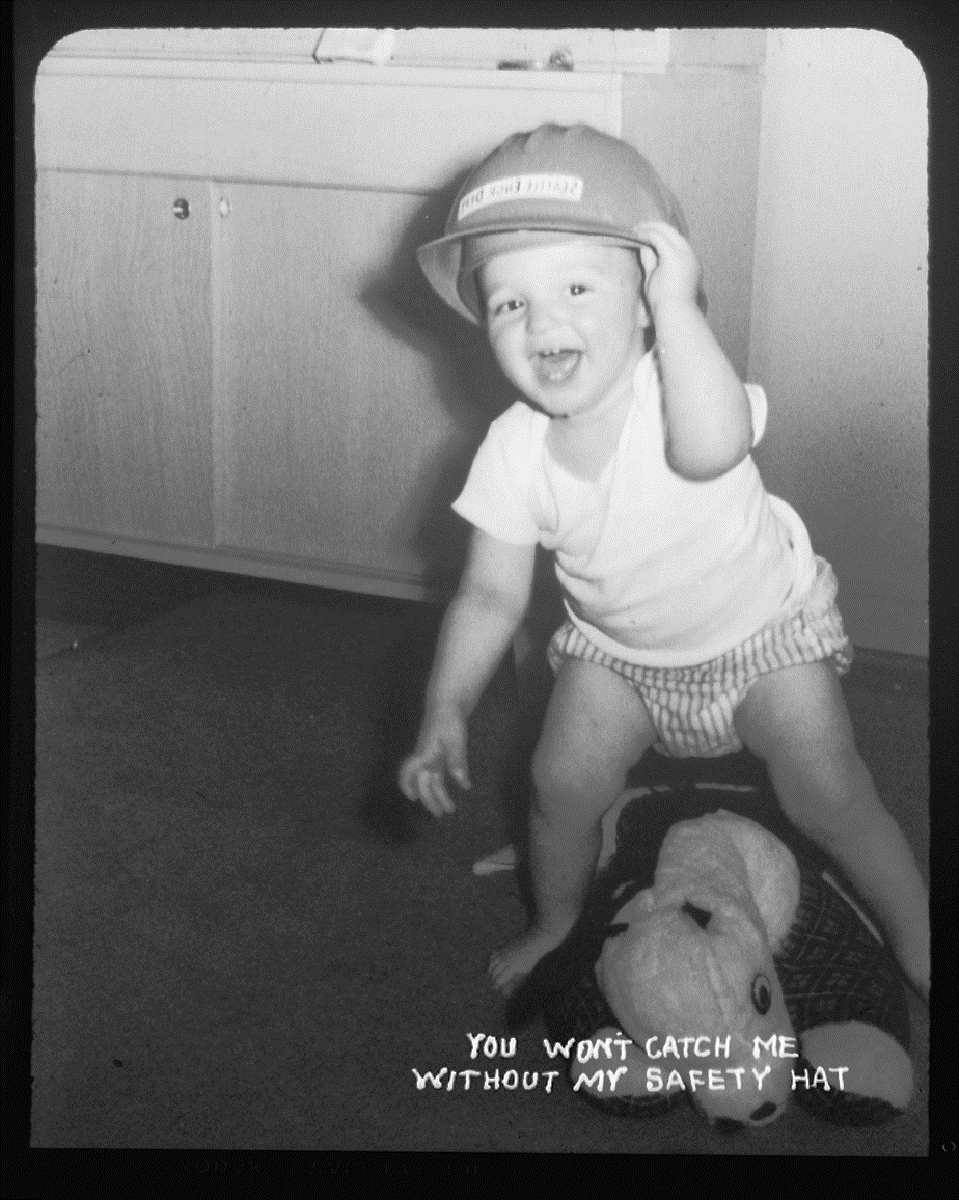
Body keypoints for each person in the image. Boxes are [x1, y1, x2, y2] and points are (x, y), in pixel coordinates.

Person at [397, 124, 929, 1001]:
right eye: (509, 302)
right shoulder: (511, 450)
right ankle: (557, 921)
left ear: (644, 301)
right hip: (620, 658)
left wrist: (681, 311)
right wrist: (445, 707)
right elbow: (490, 596)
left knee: (829, 797)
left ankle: (916, 932)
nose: (544, 322)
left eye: (576, 286)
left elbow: (714, 447)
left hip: (764, 639)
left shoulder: (674, 385)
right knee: (556, 788)